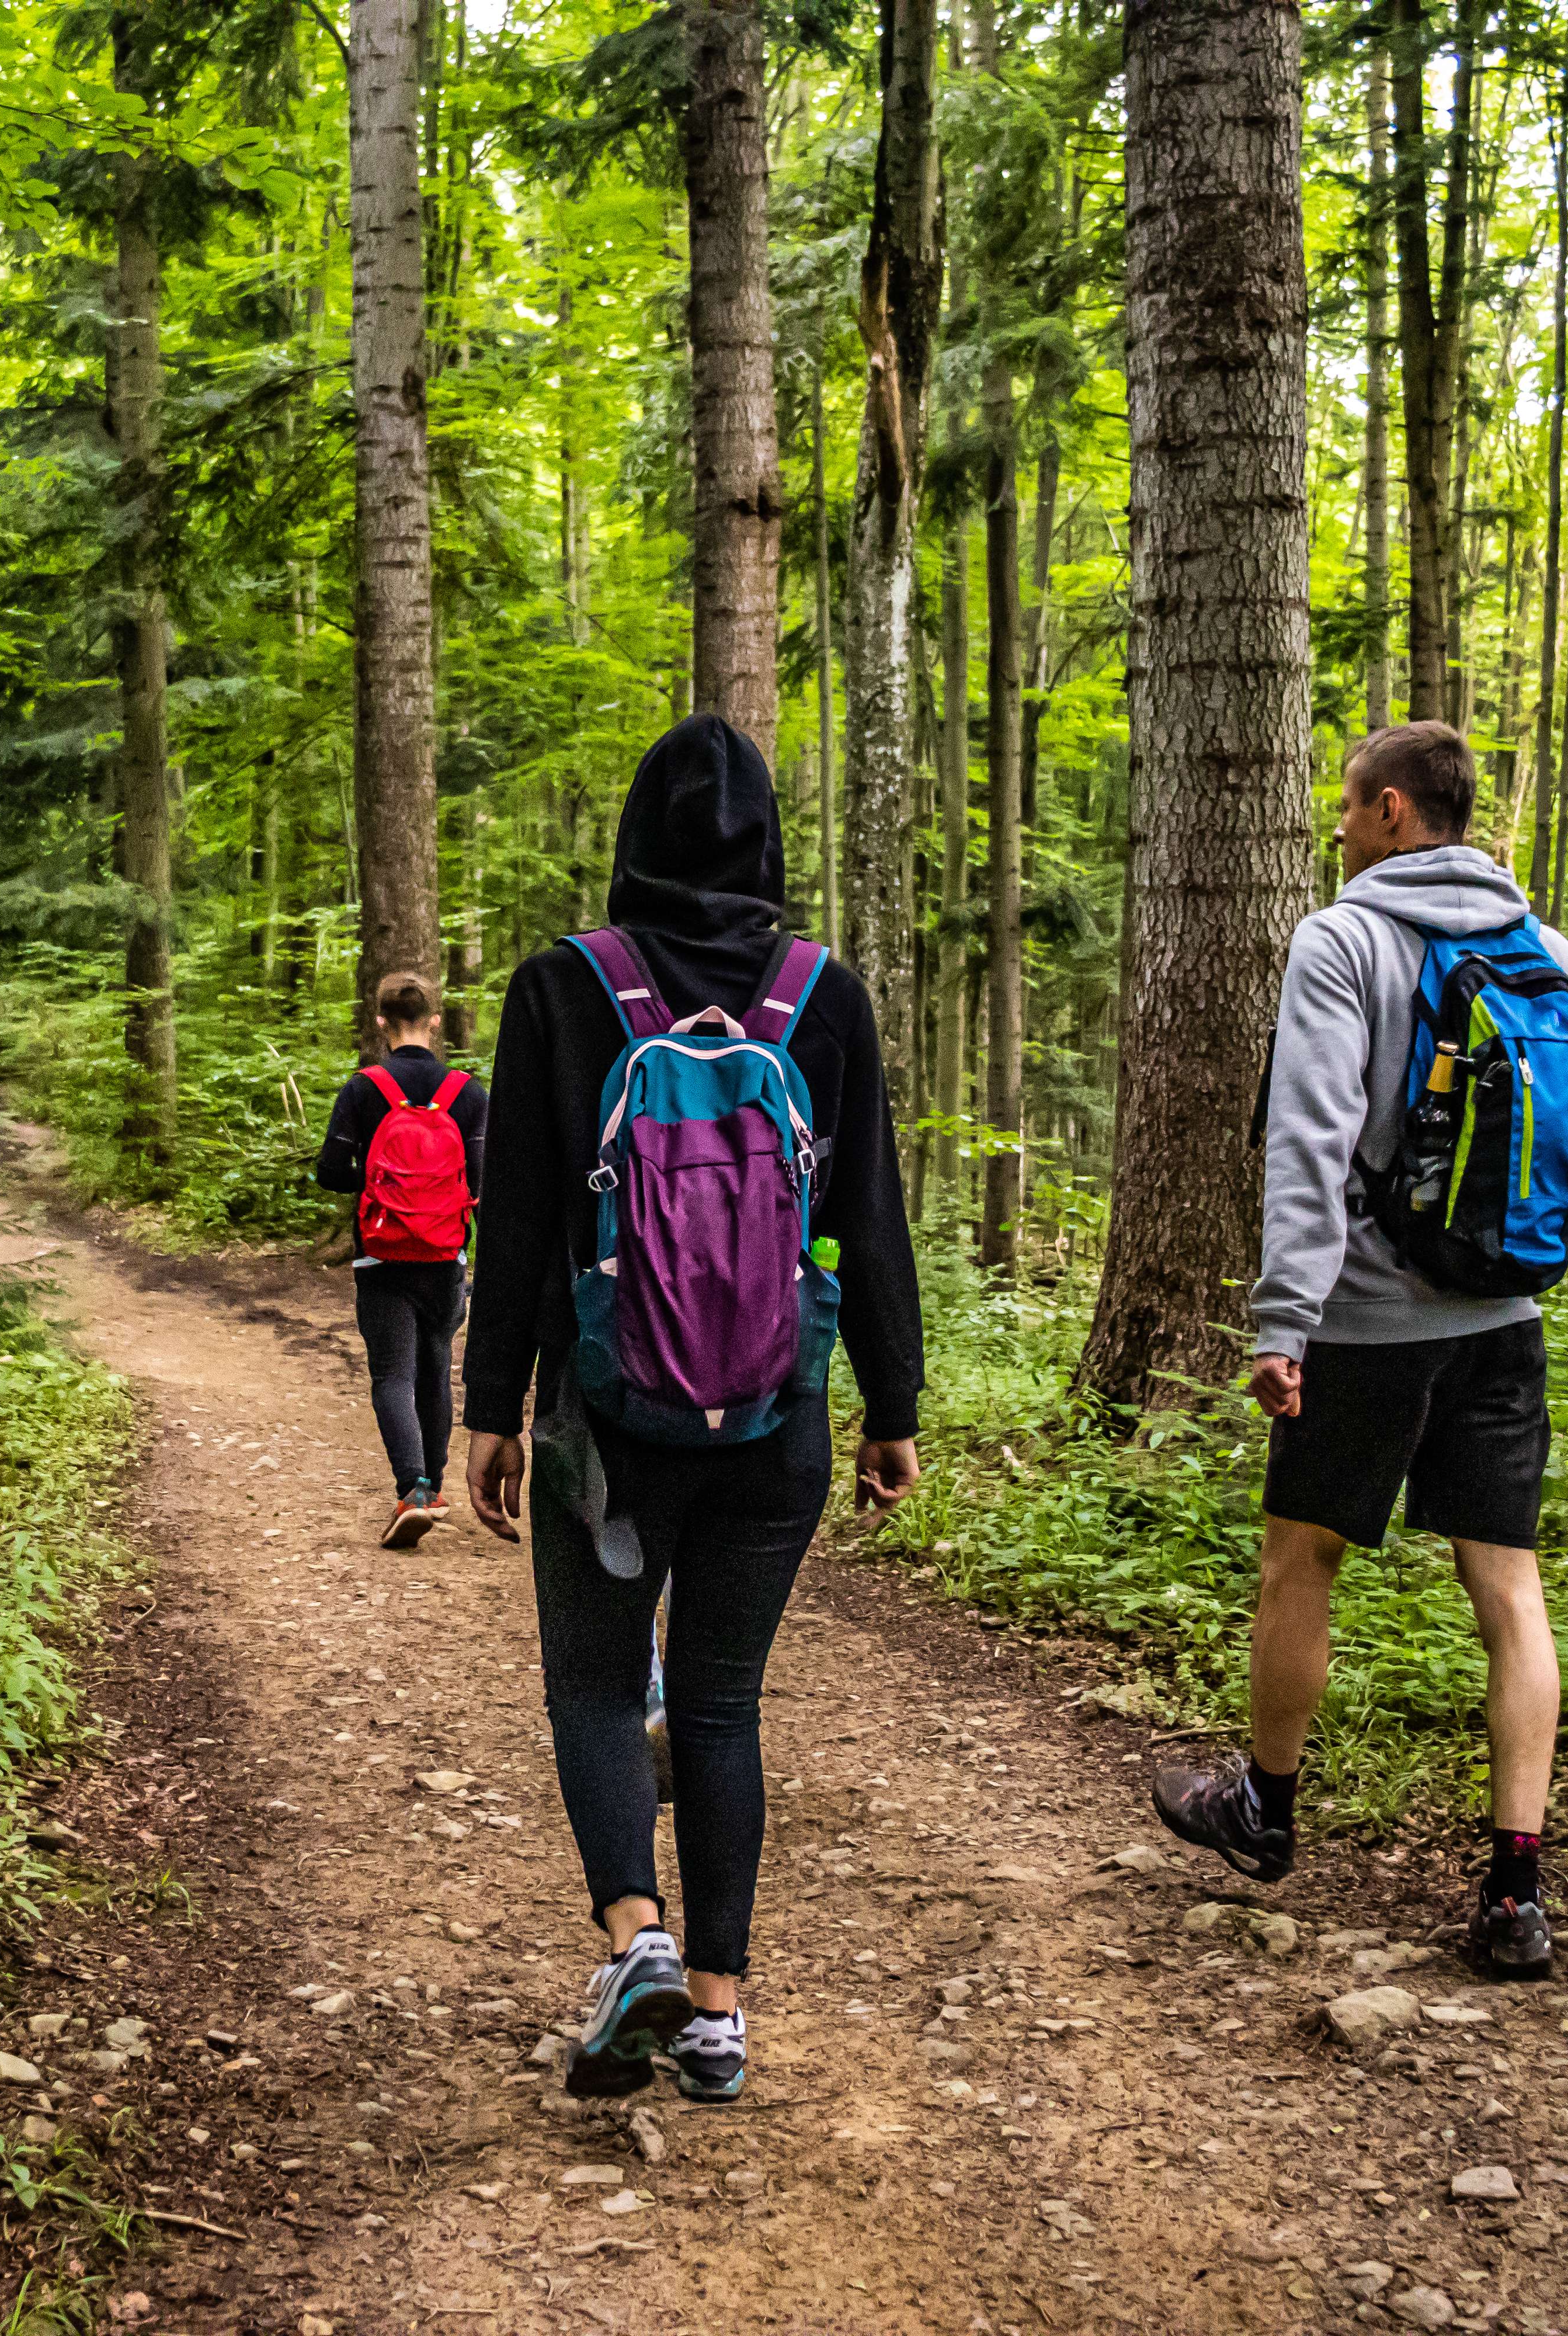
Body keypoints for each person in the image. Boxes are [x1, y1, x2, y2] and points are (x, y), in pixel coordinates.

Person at [461, 712, 925, 2106]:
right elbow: (869, 1215)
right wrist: (891, 1405)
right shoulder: (819, 996)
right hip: (776, 1415)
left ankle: (634, 1937)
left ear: (632, 841)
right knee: (720, 1705)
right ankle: (717, 2014)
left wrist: (489, 1407)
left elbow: (527, 1221)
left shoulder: (563, 986)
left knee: (600, 1685)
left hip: (604, 1419)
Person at [1146, 719, 1568, 1981]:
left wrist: (1284, 1317)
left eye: (1348, 806)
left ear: (1395, 809)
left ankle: (1266, 1808)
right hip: (1507, 1312)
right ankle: (1515, 1889)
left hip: (1369, 1317)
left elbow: (1311, 1135)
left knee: (1302, 1557)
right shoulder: (1546, 947)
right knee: (1510, 1590)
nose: (1337, 826)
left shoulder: (1342, 939)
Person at [314, 969, 491, 1550]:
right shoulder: (467, 1092)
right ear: (434, 1020)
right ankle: (433, 1488)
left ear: (381, 1021)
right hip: (445, 1255)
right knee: (436, 1368)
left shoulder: (365, 1089)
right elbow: (484, 1178)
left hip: (381, 1256)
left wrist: (381, 1183)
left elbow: (330, 1173)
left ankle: (412, 1489)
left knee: (393, 1374)